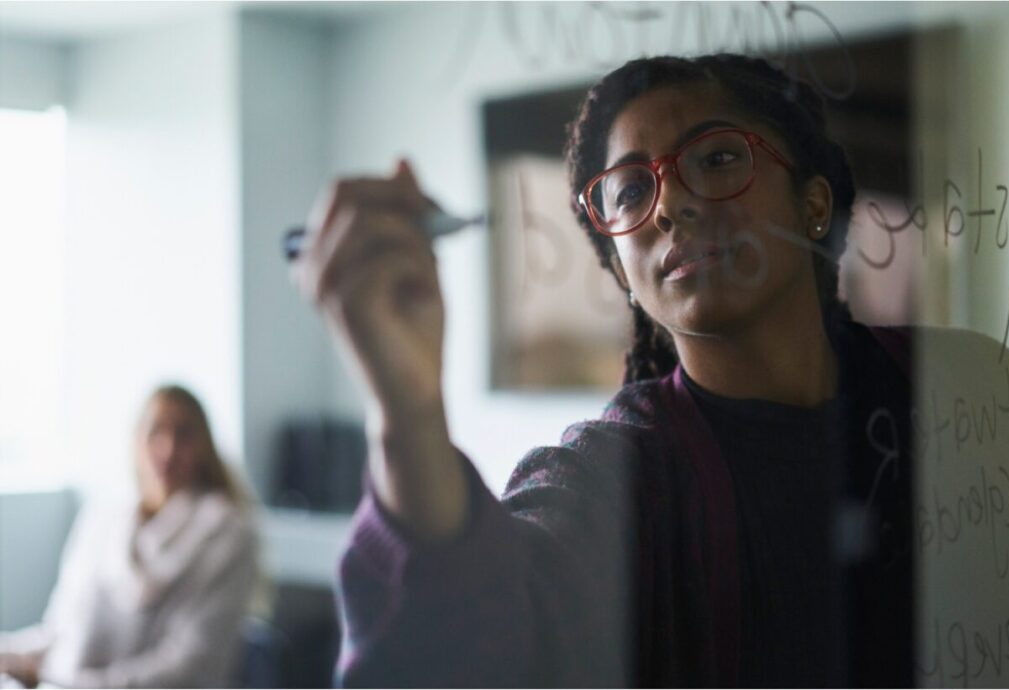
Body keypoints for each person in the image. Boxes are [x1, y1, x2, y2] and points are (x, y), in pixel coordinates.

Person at [293, 54, 914, 686]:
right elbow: (471, 644)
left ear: (812, 203)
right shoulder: (616, 476)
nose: (670, 203)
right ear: (622, 272)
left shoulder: (950, 383)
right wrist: (409, 413)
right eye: (632, 191)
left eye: (718, 158)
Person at [0, 385, 260, 688]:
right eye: (156, 432)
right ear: (136, 441)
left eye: (184, 434)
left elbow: (189, 667)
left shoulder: (227, 535)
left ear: (205, 447)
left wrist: (64, 682)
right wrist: (12, 654)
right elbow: (61, 632)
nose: (169, 449)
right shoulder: (103, 520)